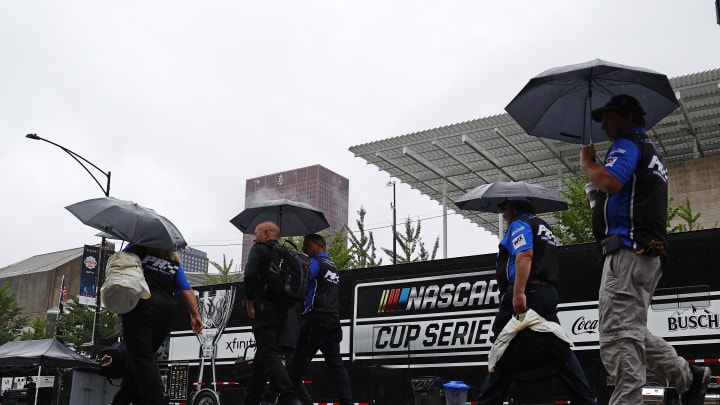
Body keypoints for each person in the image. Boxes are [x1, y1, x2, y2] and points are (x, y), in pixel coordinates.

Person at [580, 94, 710, 405]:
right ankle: (687, 378)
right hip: (645, 255)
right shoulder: (651, 153)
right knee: (632, 331)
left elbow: (610, 180)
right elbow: (628, 196)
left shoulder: (627, 144)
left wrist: (588, 163)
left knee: (619, 338)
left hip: (626, 254)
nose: (603, 124)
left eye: (607, 117)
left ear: (626, 115)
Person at [476, 198, 596, 405]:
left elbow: (525, 254)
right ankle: (585, 400)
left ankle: (487, 400)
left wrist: (519, 293)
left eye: (504, 209)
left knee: (500, 349)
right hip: (547, 293)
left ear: (513, 207)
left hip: (527, 292)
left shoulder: (519, 224)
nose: (504, 215)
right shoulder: (544, 226)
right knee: (560, 349)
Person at [111, 244, 202, 405]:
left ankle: (157, 401)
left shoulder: (137, 249)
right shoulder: (173, 263)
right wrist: (195, 315)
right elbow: (187, 289)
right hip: (166, 310)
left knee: (142, 359)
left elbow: (118, 262)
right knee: (138, 360)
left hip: (141, 305)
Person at [288, 234, 353, 405]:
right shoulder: (333, 267)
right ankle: (347, 401)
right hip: (333, 321)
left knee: (297, 365)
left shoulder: (315, 263)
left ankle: (285, 398)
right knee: (336, 365)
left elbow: (302, 279)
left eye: (307, 245)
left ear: (319, 245)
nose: (304, 248)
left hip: (315, 320)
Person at [244, 221, 302, 405]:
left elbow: (250, 276)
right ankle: (251, 400)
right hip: (282, 313)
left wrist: (250, 303)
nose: (255, 237)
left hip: (264, 310)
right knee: (261, 362)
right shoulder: (285, 254)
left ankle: (289, 395)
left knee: (269, 354)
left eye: (257, 233)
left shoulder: (259, 250)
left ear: (267, 233)